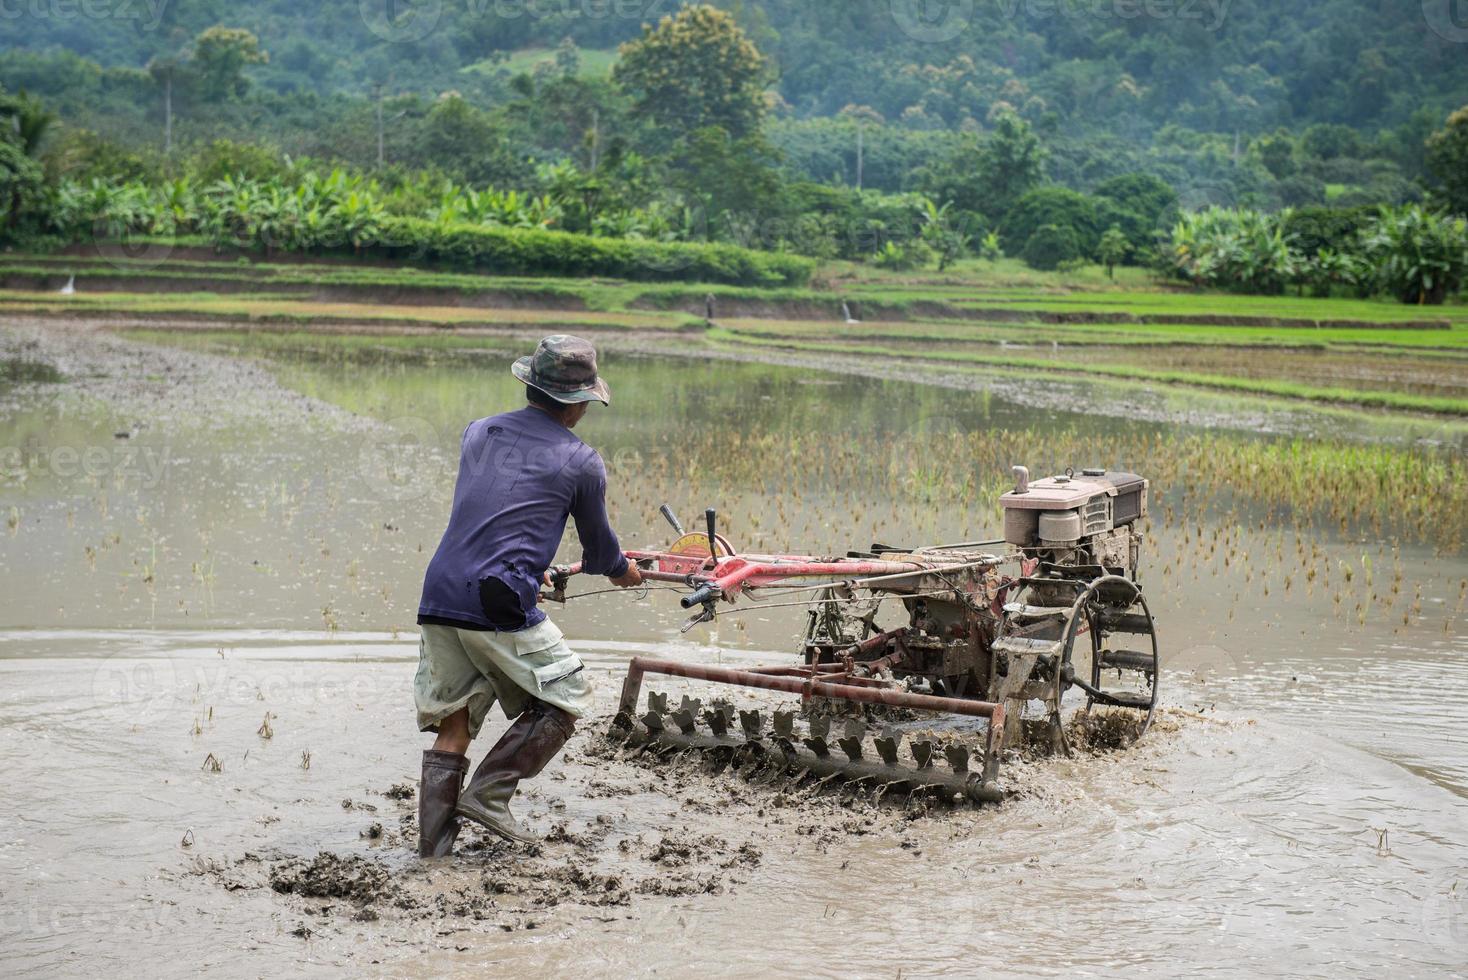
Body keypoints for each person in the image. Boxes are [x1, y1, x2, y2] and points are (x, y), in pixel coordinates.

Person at [413, 335, 642, 856]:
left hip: (441, 591)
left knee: (455, 722)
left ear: (530, 386)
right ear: (581, 402)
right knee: (568, 697)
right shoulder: (582, 461)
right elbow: (602, 552)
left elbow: (499, 509)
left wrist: (530, 565)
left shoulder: (478, 432)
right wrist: (625, 571)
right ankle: (489, 796)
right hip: (496, 599)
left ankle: (434, 853)